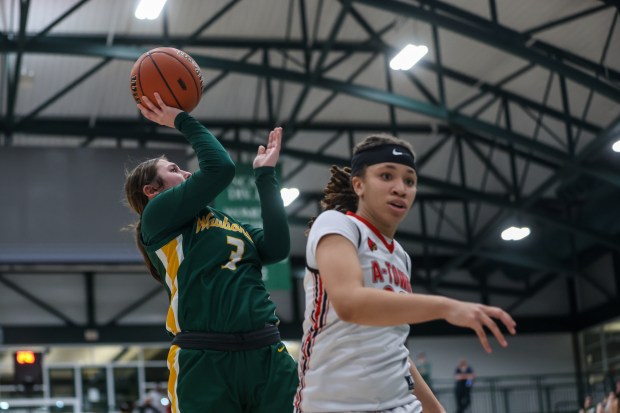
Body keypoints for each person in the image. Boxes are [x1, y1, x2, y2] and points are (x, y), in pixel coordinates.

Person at [294, 134, 517, 413]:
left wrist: (437, 410)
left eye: (409, 181)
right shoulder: (336, 224)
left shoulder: (400, 256)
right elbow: (350, 304)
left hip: (399, 404)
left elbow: (393, 345)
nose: (400, 188)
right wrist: (446, 307)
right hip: (332, 406)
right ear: (358, 184)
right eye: (386, 176)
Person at [124, 93, 298, 413]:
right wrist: (179, 118)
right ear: (152, 191)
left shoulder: (229, 223)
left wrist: (265, 176)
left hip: (266, 351)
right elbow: (220, 168)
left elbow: (277, 248)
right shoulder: (158, 218)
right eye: (175, 169)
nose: (188, 173)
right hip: (205, 359)